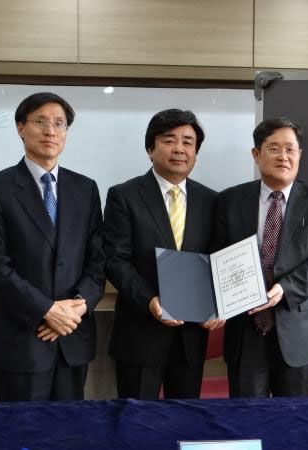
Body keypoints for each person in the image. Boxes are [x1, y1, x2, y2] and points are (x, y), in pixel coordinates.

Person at [0, 92, 105, 401]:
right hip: (21, 341)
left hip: (72, 338)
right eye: (41, 122)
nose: (50, 131)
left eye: (59, 124)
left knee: (71, 427)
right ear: (20, 128)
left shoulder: (85, 189)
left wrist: (77, 307)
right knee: (22, 428)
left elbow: (98, 259)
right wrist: (47, 310)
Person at [213, 117, 308, 397]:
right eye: (274, 149)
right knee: (247, 415)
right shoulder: (229, 200)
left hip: (299, 329)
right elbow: (217, 256)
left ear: (299, 155)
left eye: (290, 149)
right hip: (245, 329)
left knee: (293, 417)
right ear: (256, 154)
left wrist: (285, 288)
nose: (283, 156)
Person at [104, 109, 222, 400]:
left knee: (184, 419)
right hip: (140, 332)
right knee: (136, 419)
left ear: (196, 153)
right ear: (150, 148)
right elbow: (115, 260)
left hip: (191, 337)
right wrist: (150, 301)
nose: (179, 148)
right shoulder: (124, 195)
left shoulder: (212, 200)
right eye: (169, 140)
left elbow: (220, 260)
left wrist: (220, 303)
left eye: (188, 142)